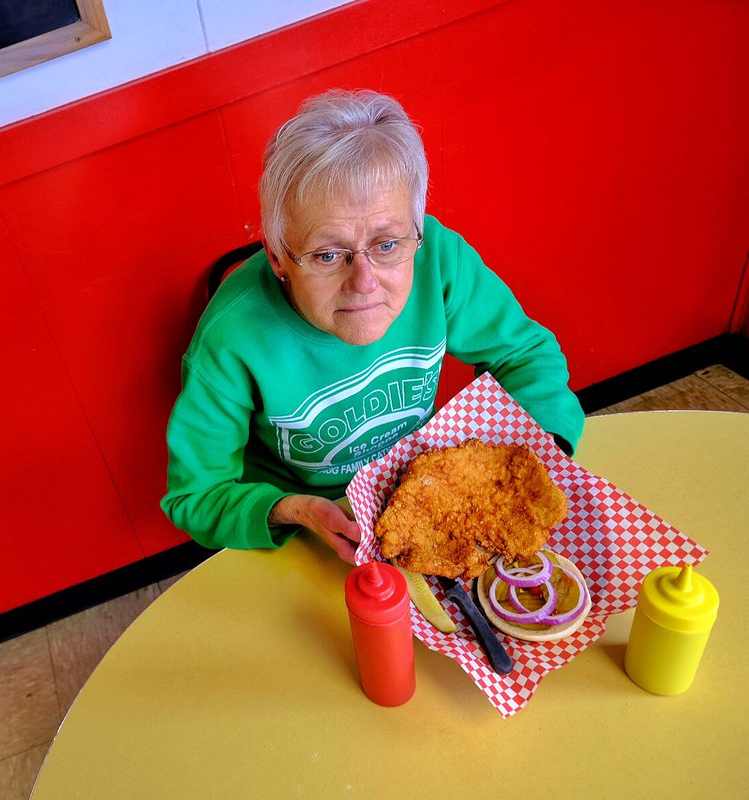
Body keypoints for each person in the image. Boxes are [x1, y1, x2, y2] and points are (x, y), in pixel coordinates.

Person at [160, 89, 584, 563]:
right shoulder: (230, 337)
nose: (364, 283)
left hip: (424, 496)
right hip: (306, 534)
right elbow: (195, 497)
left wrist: (541, 458)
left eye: (386, 245)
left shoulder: (439, 258)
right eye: (327, 254)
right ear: (279, 257)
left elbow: (524, 355)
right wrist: (295, 511)